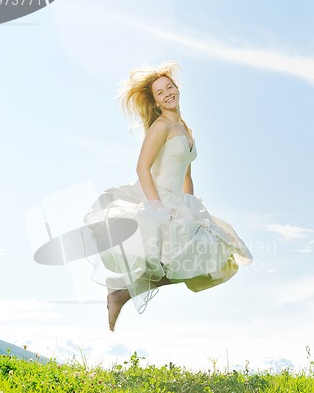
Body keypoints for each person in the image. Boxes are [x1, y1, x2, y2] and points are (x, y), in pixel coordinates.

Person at [84, 61, 252, 331]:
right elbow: (141, 168)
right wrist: (155, 207)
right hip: (156, 198)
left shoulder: (186, 129)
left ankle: (122, 293)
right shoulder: (161, 126)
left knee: (209, 263)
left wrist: (193, 208)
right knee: (178, 261)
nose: (167, 94)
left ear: (177, 89)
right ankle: (121, 294)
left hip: (180, 202)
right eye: (160, 93)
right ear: (157, 102)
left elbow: (186, 174)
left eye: (169, 87)